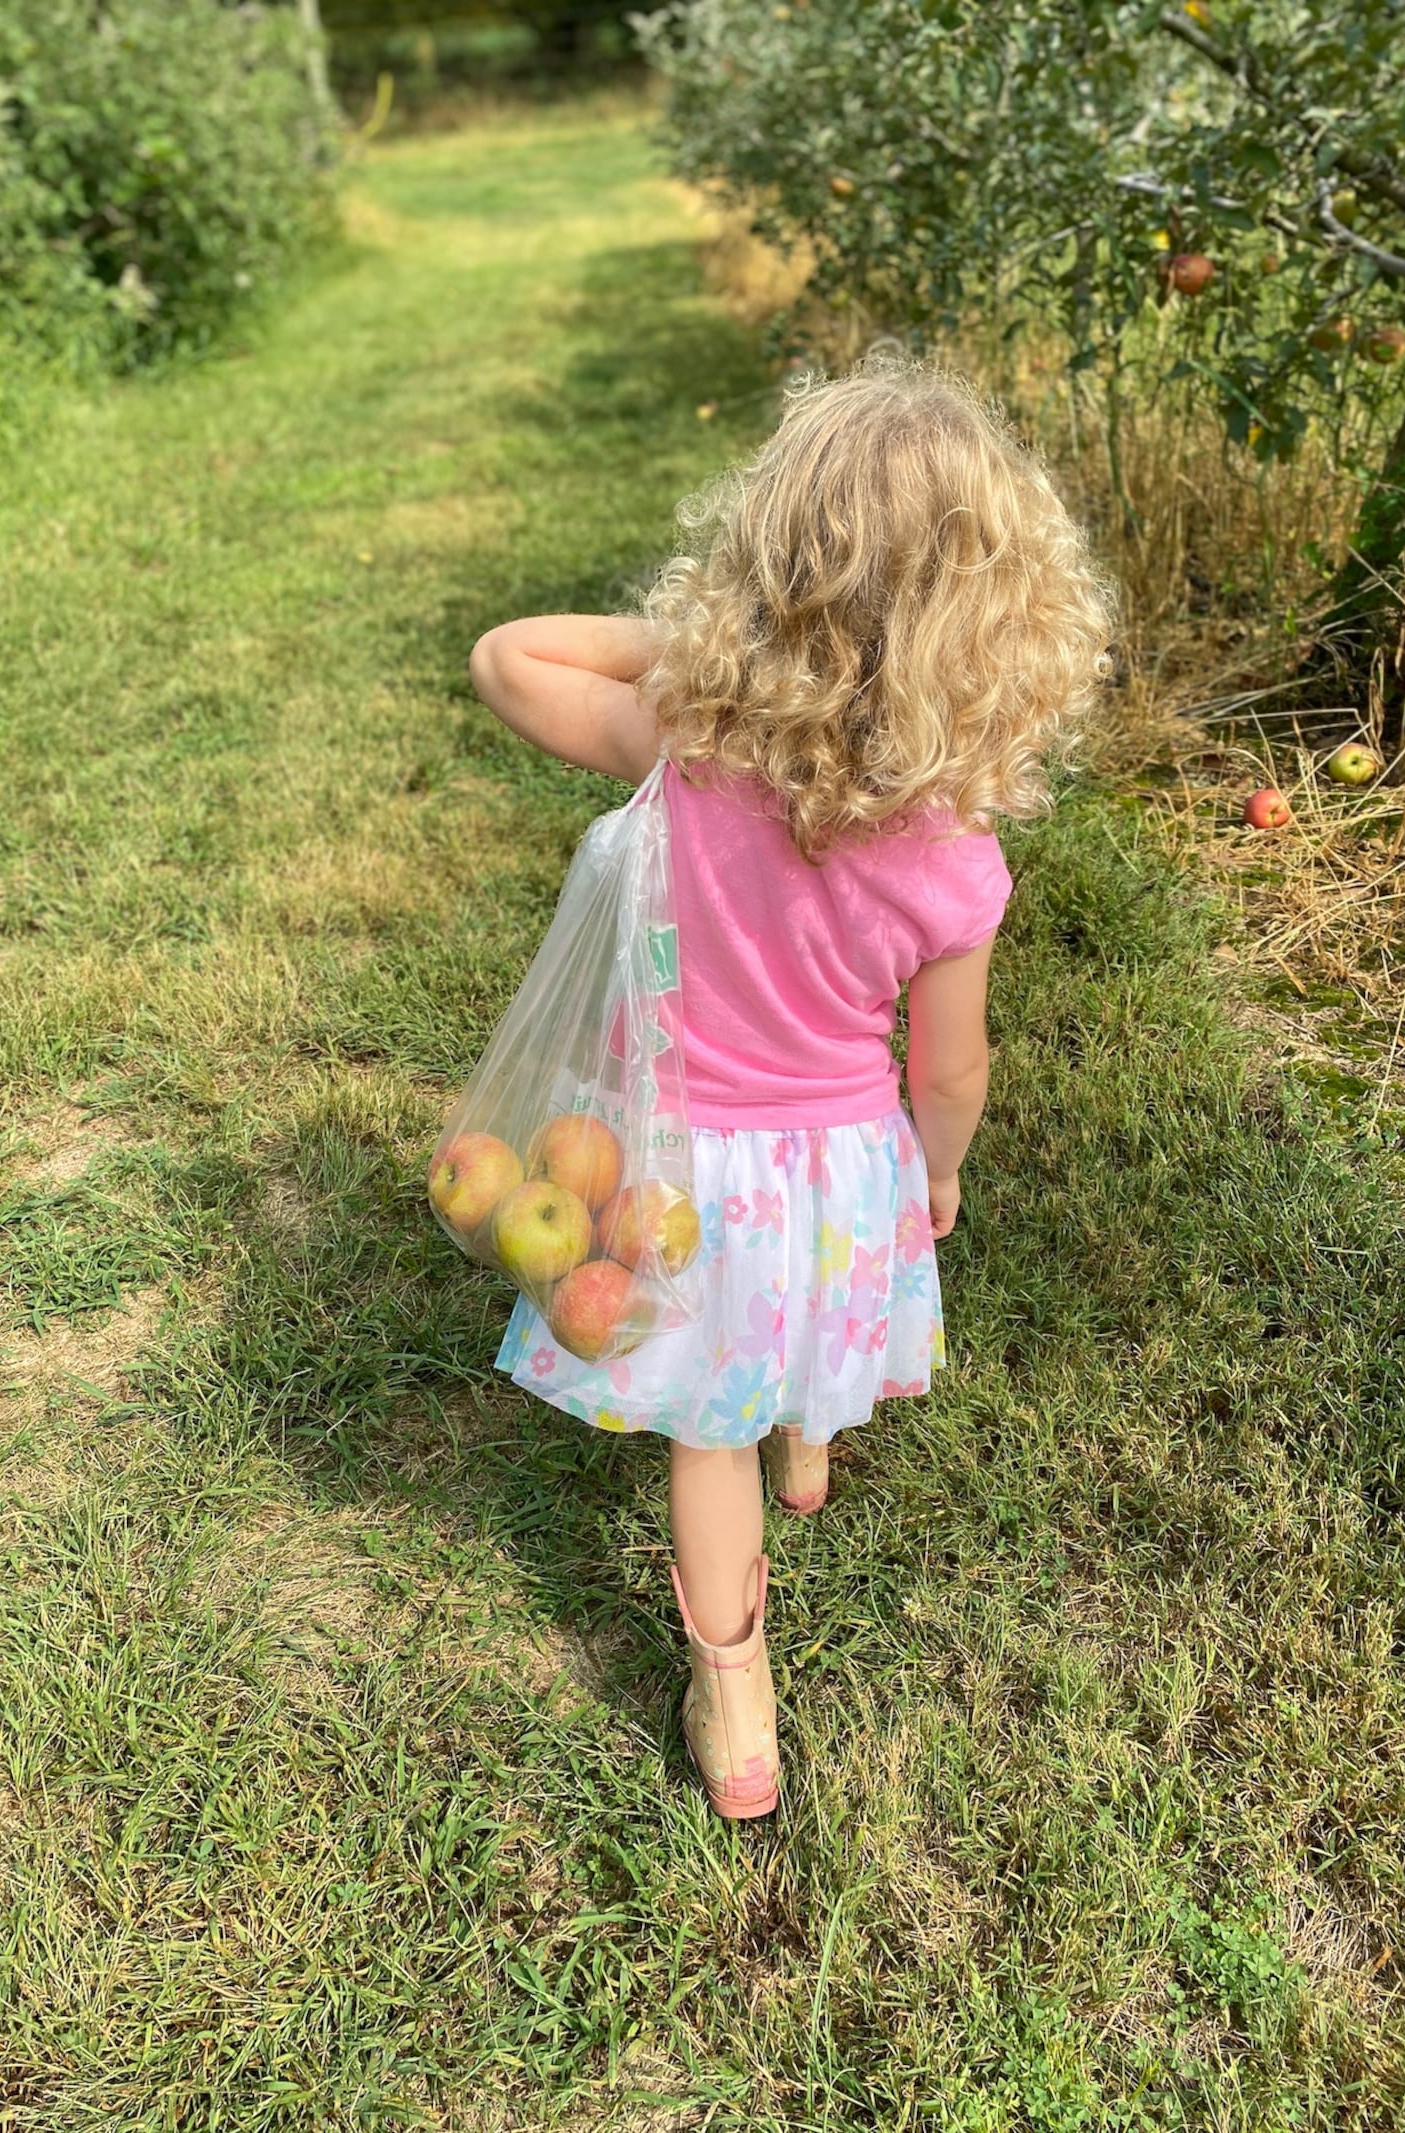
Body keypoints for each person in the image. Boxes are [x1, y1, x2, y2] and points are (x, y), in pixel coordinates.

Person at [468, 348, 1114, 1820]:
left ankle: (738, 1703)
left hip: (686, 1176)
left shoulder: (686, 752)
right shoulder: (955, 851)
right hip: (831, 1177)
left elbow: (509, 655)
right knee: (811, 1337)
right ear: (1003, 625)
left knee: (712, 1433)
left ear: (764, 572)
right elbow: (950, 1069)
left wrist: (702, 656)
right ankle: (810, 1441)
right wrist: (935, 1167)